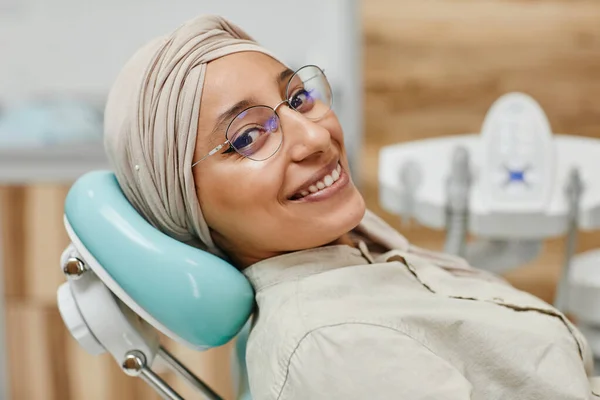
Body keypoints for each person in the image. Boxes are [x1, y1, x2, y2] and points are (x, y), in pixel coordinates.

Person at [103, 15, 598, 400]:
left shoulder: (354, 256)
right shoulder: (334, 348)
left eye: (297, 99)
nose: (317, 136)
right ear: (186, 203)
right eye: (249, 137)